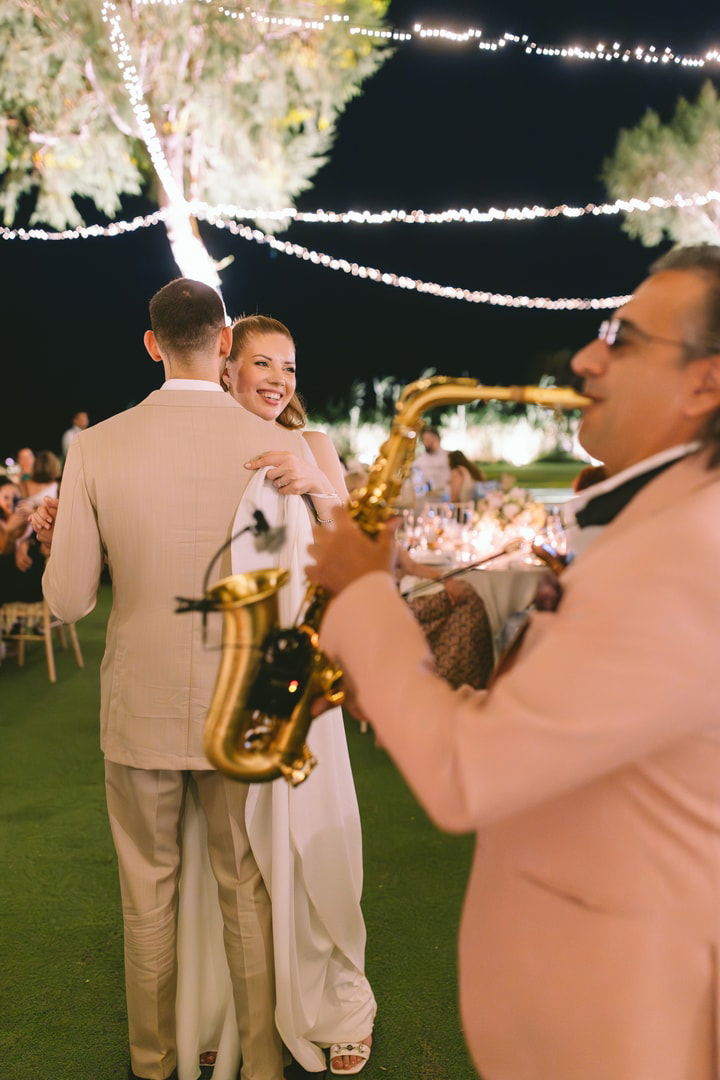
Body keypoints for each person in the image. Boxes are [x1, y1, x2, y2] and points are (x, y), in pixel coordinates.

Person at [306, 245, 720, 1079]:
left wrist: (363, 594)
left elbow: (469, 772)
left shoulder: (686, 548)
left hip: (616, 1033)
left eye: (623, 339)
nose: (586, 358)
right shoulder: (664, 520)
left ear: (705, 385)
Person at [38, 278, 311, 1080]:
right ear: (224, 343)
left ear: (152, 344)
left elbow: (68, 600)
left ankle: (153, 1063)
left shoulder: (97, 446)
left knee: (147, 896)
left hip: (141, 703)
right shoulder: (276, 447)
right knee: (244, 889)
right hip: (243, 704)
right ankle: (260, 1064)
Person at [219, 314, 375, 1076]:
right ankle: (227, 1005)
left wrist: (316, 486)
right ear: (227, 367)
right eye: (263, 364)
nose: (278, 379)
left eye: (288, 366)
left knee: (316, 834)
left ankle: (335, 999)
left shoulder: (313, 444)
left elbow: (358, 551)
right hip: (225, 672)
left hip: (304, 672)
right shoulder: (208, 446)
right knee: (232, 853)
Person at [414, 427, 450, 497]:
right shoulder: (420, 460)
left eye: (428, 440)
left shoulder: (447, 457)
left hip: (446, 496)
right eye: (424, 440)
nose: (425, 443)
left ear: (436, 439)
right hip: (426, 497)